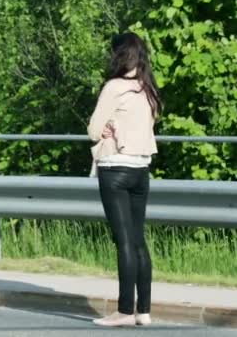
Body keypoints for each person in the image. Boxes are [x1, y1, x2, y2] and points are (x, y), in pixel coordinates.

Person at [87, 32, 161, 327]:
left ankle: (123, 311)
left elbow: (93, 130)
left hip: (115, 169)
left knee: (124, 242)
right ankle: (143, 311)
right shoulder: (149, 88)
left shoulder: (113, 87)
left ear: (119, 54)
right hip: (141, 170)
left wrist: (105, 127)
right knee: (138, 240)